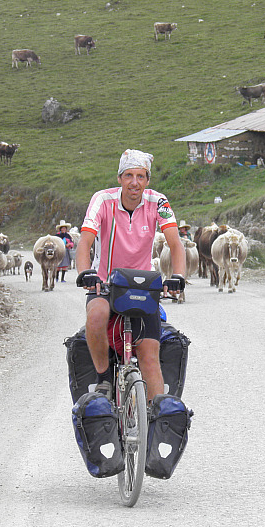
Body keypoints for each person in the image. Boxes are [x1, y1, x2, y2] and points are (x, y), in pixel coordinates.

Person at [76, 149, 186, 403]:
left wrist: (177, 275)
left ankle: (158, 419)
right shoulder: (102, 200)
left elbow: (175, 243)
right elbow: (85, 242)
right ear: (119, 178)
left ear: (148, 180)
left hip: (142, 287)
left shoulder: (159, 202)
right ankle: (103, 377)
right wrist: (85, 272)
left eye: (140, 176)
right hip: (105, 283)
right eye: (128, 175)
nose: (134, 182)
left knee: (149, 356)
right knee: (96, 315)